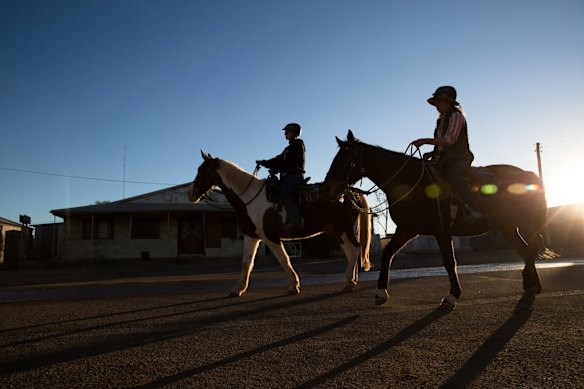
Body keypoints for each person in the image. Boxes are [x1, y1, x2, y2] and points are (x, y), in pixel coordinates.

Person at [413, 86, 483, 223]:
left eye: (440, 102)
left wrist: (425, 141)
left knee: (453, 174)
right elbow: (440, 145)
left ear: (448, 102)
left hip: (459, 159)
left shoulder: (457, 116)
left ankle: (472, 208)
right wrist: (432, 152)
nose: (437, 105)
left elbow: (449, 140)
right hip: (444, 159)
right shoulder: (441, 120)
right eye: (436, 102)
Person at [256, 123, 306, 230]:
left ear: (294, 133)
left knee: (286, 193)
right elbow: (278, 160)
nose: (285, 134)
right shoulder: (288, 148)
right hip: (287, 177)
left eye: (287, 131)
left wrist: (278, 169)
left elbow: (292, 162)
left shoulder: (298, 145)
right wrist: (263, 163)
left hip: (294, 176)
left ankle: (295, 221)